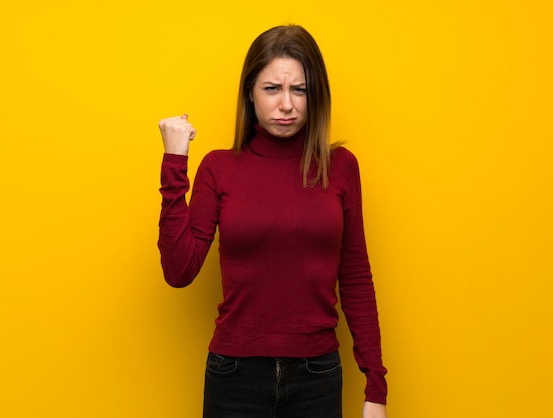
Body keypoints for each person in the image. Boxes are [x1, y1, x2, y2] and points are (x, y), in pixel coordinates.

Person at [157, 25, 387, 418]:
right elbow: (179, 270)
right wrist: (175, 164)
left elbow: (355, 276)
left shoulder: (341, 168)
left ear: (315, 96)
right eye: (272, 89)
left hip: (317, 375)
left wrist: (376, 389)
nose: (287, 105)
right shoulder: (219, 168)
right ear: (250, 92)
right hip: (234, 375)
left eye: (299, 90)